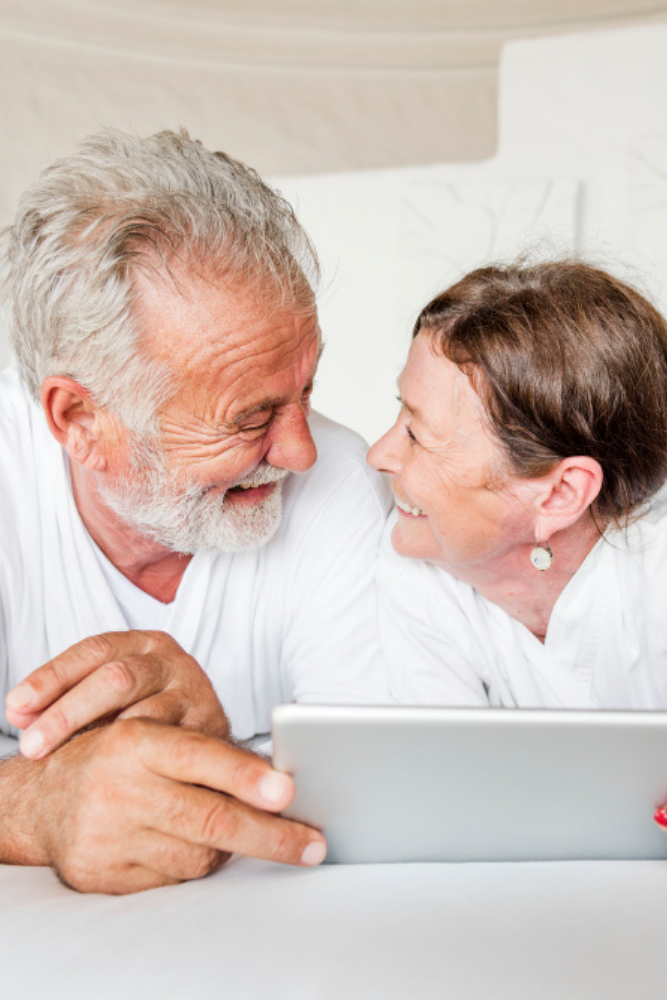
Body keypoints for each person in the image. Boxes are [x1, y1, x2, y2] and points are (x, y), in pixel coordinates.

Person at [0, 128, 390, 893]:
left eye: (305, 391)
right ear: (80, 420)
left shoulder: (343, 483)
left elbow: (379, 792)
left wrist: (213, 766)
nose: (300, 452)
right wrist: (36, 805)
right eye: (250, 419)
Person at [368, 260, 667, 716]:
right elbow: (444, 774)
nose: (378, 455)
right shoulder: (413, 565)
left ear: (559, 495)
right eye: (400, 412)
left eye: (417, 435)